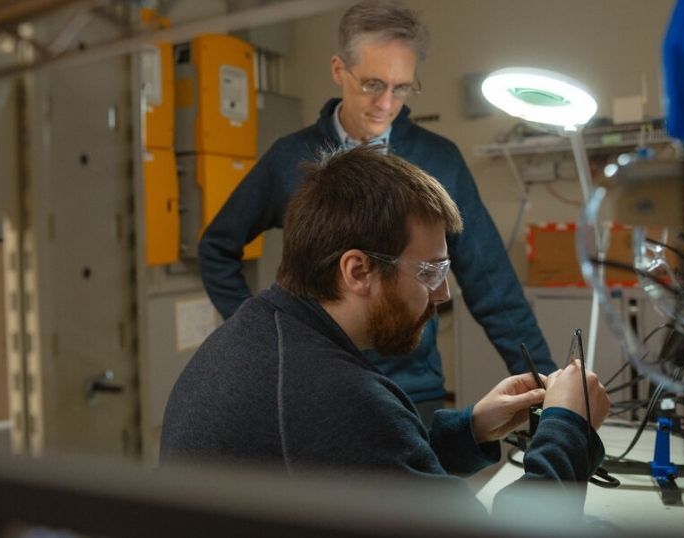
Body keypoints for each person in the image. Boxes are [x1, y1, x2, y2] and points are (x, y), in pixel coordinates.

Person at [161, 146, 610, 515]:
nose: (442, 295)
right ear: (358, 270)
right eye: (430, 271)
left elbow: (364, 466)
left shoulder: (257, 335)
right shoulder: (337, 397)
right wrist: (567, 427)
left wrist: (470, 430)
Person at [198, 0, 556, 420]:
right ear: (338, 70)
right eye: (372, 84)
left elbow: (492, 285)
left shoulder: (439, 161)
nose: (387, 103)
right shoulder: (289, 159)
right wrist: (261, 332)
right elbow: (216, 249)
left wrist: (548, 387)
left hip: (410, 389)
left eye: (401, 87)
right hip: (310, 385)